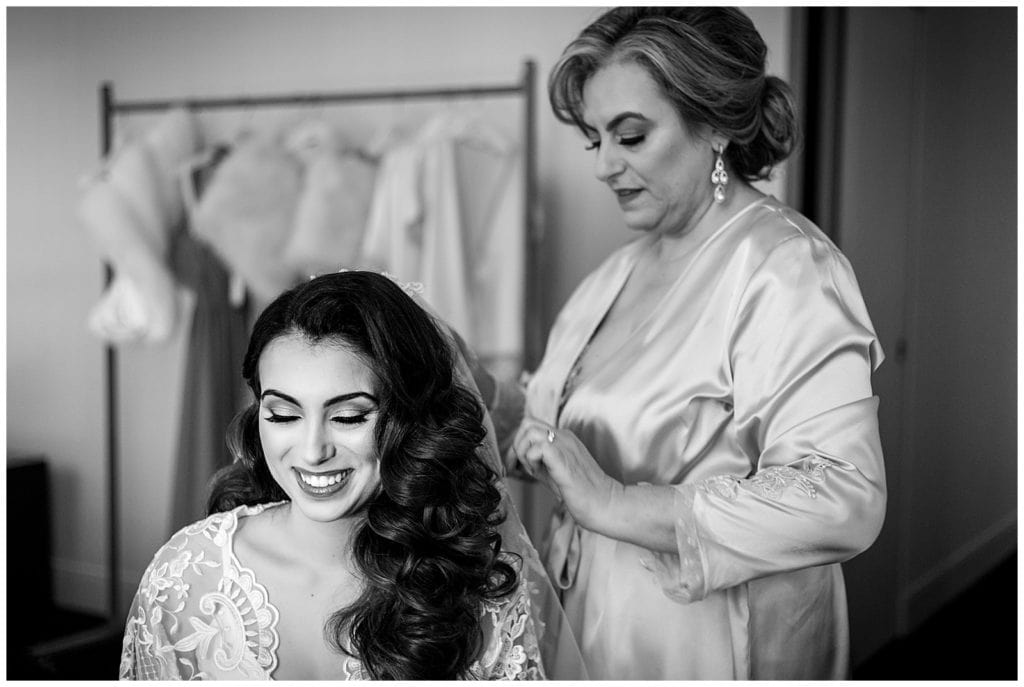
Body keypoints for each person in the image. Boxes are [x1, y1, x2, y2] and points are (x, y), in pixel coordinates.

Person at [462, 7, 886, 680]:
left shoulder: (786, 268)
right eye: (593, 139)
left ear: (714, 122)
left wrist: (619, 505)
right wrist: (464, 381)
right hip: (595, 617)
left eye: (629, 136)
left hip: (712, 637)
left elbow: (844, 494)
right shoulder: (617, 273)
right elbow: (555, 442)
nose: (604, 164)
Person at [118, 270, 586, 680]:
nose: (313, 450)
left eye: (347, 418)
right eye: (282, 415)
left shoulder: (476, 590)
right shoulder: (183, 579)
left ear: (412, 421)